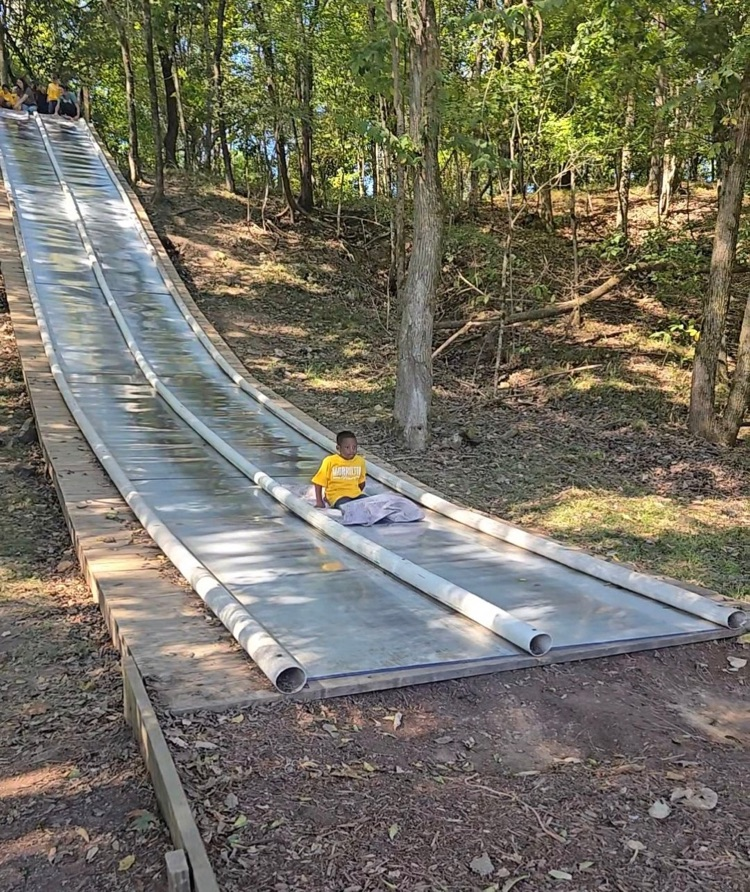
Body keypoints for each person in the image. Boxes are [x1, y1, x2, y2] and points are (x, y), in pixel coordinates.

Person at [312, 430, 368, 510]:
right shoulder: (330, 461)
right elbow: (318, 483)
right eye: (347, 447)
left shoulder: (360, 461)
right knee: (348, 507)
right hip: (337, 495)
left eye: (354, 447)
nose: (351, 451)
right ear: (338, 448)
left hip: (355, 494)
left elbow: (361, 483)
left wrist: (357, 493)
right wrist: (319, 502)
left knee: (368, 504)